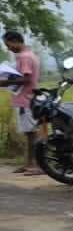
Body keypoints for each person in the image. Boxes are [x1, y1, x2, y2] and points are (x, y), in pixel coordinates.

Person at [2, 30, 42, 175]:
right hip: (28, 99)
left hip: (26, 101)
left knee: (32, 134)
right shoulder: (29, 55)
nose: (8, 48)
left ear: (15, 41)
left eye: (8, 45)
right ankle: (29, 163)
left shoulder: (24, 57)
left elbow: (26, 79)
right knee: (30, 133)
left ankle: (37, 165)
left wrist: (5, 82)